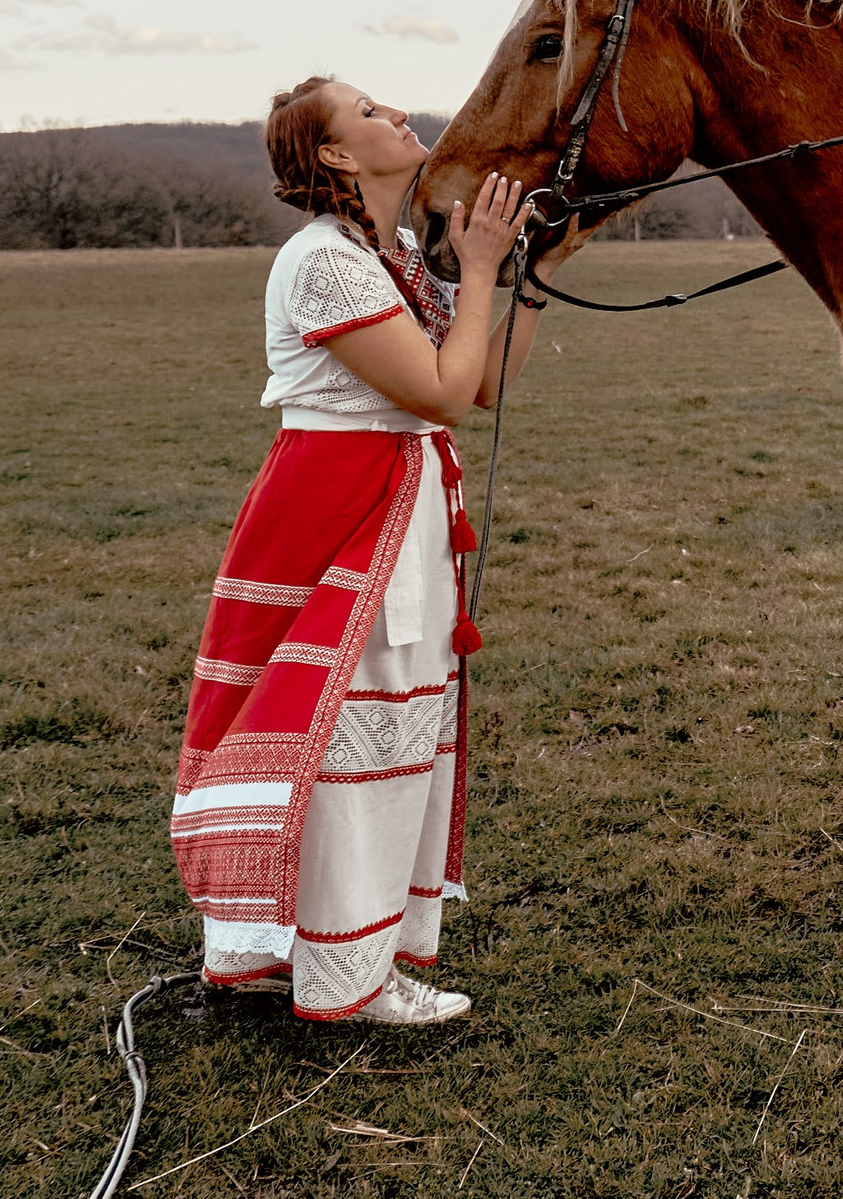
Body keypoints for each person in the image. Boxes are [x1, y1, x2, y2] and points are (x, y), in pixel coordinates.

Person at [170, 78, 582, 1023]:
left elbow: (484, 384)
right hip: (339, 511)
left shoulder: (391, 254)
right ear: (337, 157)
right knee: (346, 731)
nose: (398, 111)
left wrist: (535, 272)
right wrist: (476, 271)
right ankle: (345, 976)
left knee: (382, 729)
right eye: (367, 111)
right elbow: (440, 392)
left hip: (399, 502)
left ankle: (330, 951)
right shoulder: (324, 262)